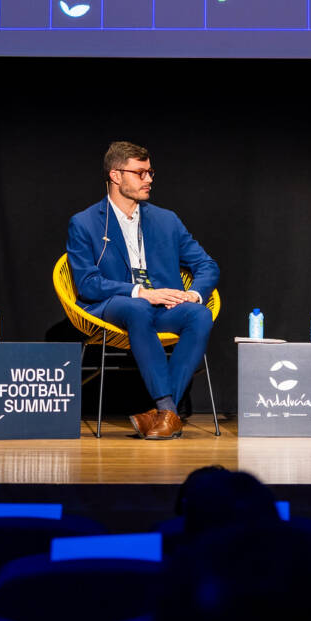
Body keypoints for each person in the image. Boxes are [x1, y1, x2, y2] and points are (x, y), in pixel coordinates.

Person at [66, 141, 219, 440]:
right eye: (141, 173)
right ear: (116, 175)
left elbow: (207, 264)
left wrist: (194, 294)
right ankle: (167, 406)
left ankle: (163, 415)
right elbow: (87, 283)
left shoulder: (167, 220)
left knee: (199, 315)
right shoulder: (84, 223)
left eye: (150, 172)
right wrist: (139, 292)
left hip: (158, 308)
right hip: (112, 305)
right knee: (136, 307)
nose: (149, 179)